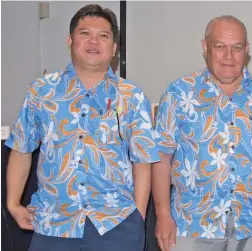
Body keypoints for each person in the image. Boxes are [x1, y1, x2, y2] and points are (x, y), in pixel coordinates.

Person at [4, 4, 158, 251]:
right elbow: (22, 149)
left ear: (114, 48)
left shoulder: (131, 95)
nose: (94, 41)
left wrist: (138, 215)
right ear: (70, 40)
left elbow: (142, 160)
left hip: (115, 225)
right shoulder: (42, 91)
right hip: (52, 223)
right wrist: (12, 203)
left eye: (103, 36)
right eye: (85, 33)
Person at [152, 15, 252, 251]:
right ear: (205, 47)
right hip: (191, 224)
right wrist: (162, 215)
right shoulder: (178, 93)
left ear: (247, 49)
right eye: (220, 47)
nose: (228, 56)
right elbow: (162, 157)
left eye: (236, 48)